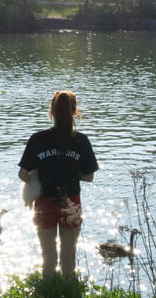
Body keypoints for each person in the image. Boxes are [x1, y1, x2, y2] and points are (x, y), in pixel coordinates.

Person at [18, 90, 99, 277]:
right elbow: (89, 177)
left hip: (45, 204)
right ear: (74, 112)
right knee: (68, 262)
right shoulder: (82, 140)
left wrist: (41, 176)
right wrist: (70, 173)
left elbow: (23, 174)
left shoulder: (37, 139)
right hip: (71, 203)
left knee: (48, 260)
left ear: (51, 111)